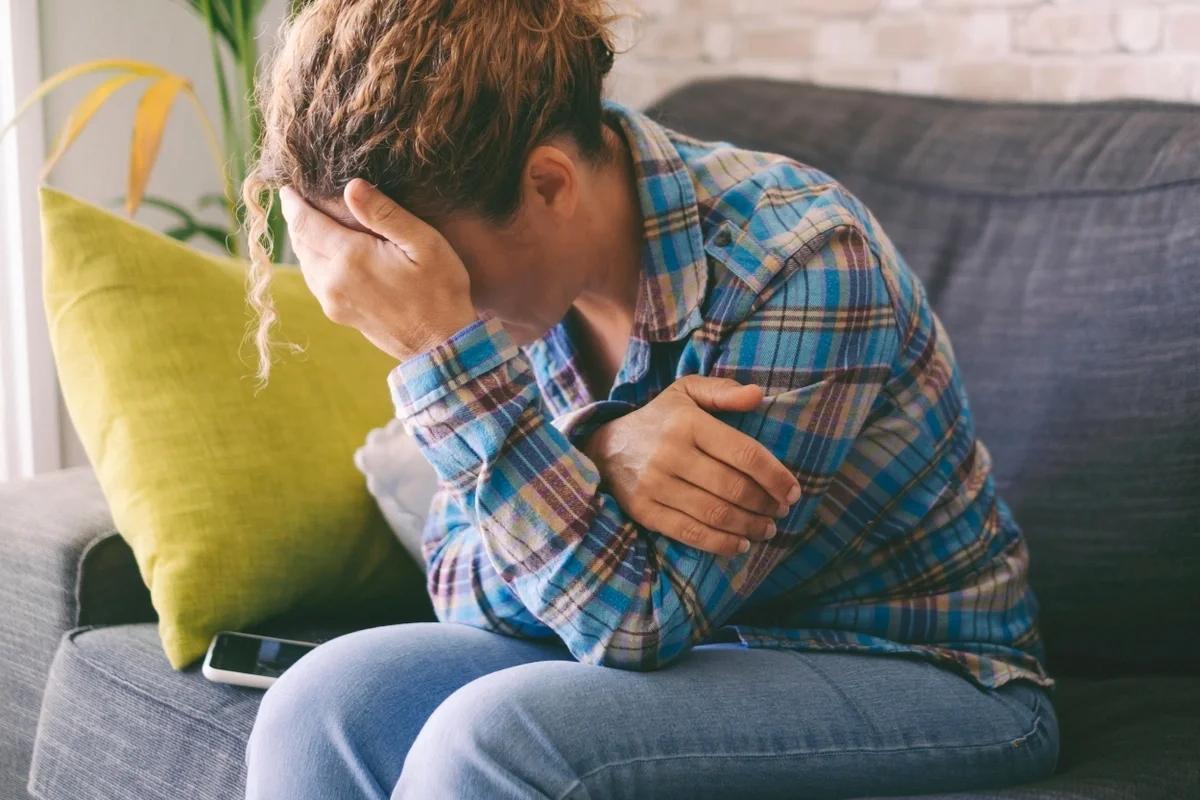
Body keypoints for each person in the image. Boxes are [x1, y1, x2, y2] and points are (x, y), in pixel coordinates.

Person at [239, 1, 1059, 798]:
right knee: (318, 707)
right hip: (695, 652)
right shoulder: (534, 281)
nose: (445, 309)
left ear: (549, 185)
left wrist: (443, 353)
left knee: (496, 740)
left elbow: (635, 619)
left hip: (924, 674)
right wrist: (595, 447)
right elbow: (456, 579)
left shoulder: (798, 263)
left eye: (447, 281)